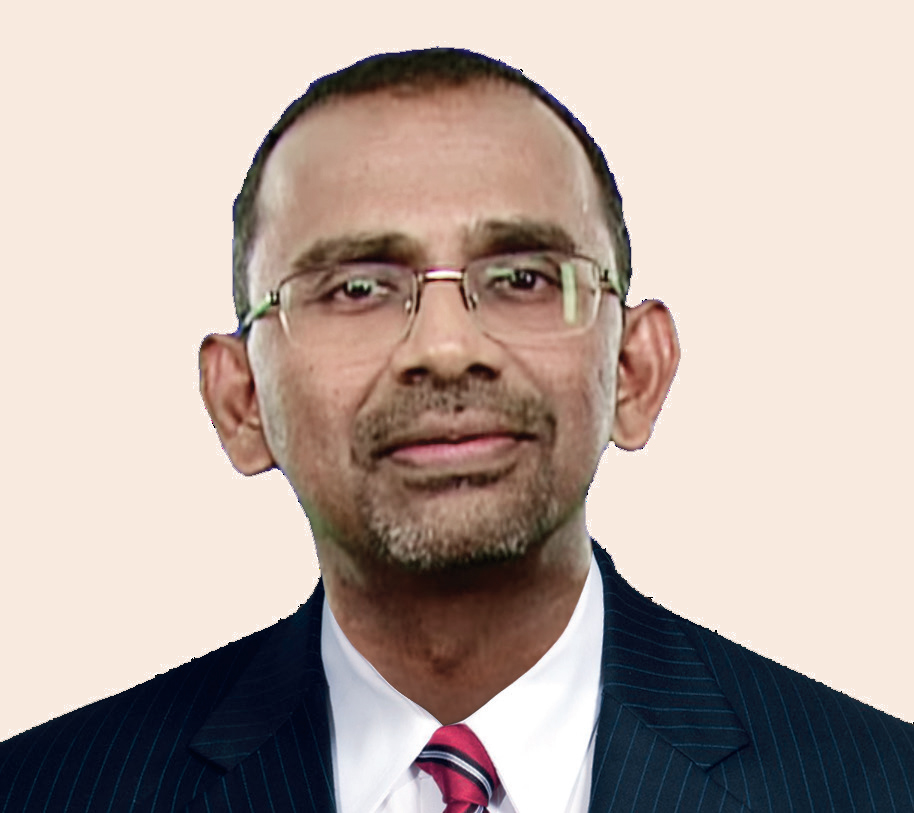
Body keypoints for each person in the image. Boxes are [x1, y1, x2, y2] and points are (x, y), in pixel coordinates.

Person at [1, 47, 911, 813]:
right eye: (358, 287)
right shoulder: (46, 791)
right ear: (240, 400)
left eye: (522, 278)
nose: (445, 348)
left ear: (636, 370)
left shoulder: (879, 785)